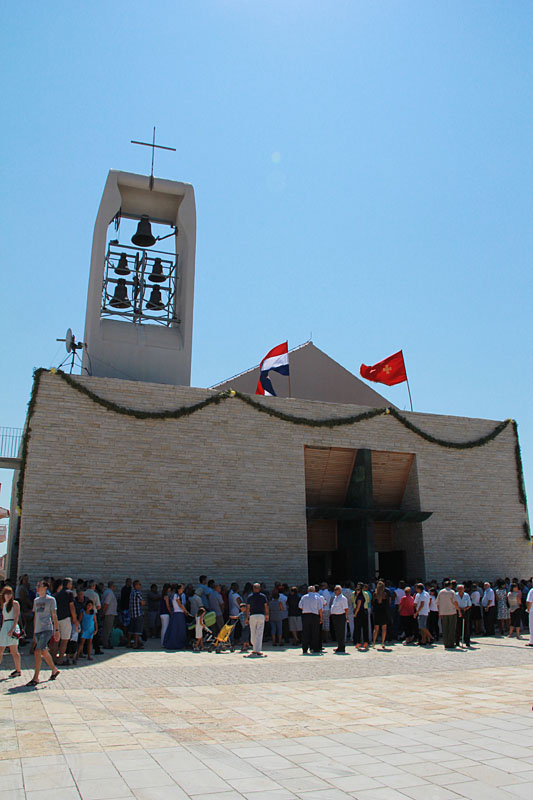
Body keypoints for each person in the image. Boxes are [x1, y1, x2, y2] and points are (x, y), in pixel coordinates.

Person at [27, 580, 60, 686]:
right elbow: (36, 616)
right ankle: (54, 670)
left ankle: (36, 677)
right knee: (44, 651)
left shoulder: (51, 600)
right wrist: (33, 632)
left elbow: (54, 615)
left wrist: (57, 630)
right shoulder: (36, 601)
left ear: (45, 587)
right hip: (38, 630)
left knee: (37, 651)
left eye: (39, 586)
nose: (37, 587)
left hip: (47, 629)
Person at [52, 577, 78, 665]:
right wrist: (75, 619)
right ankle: (60, 660)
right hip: (66, 618)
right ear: (68, 584)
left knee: (56, 640)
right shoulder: (70, 593)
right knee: (64, 640)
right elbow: (72, 606)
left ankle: (53, 658)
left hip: (56, 619)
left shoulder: (56, 594)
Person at [0, 585, 22, 677]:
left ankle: (18, 670)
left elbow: (16, 617)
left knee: (14, 651)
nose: (8, 595)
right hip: (5, 626)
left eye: (10, 593)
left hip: (12, 625)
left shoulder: (15, 603)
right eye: (7, 593)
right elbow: (4, 618)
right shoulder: (4, 605)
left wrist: (12, 629)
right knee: (1, 649)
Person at [245, 583, 269, 656]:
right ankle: (257, 649)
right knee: (259, 632)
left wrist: (246, 618)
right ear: (259, 589)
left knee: (253, 631)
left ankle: (254, 647)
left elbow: (248, 608)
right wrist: (267, 614)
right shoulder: (263, 596)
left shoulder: (250, 597)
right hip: (261, 615)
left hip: (252, 615)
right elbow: (266, 606)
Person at [299, 585, 324, 654]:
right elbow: (320, 609)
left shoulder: (304, 597)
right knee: (315, 632)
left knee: (305, 633)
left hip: (306, 615)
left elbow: (300, 606)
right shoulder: (317, 598)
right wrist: (321, 618)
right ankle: (315, 648)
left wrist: (306, 608)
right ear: (314, 591)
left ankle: (305, 649)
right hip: (314, 615)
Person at [163, 583, 188, 649]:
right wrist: (185, 611)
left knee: (180, 630)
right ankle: (174, 644)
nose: (183, 590)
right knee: (176, 630)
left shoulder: (178, 596)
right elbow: (180, 605)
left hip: (179, 614)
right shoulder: (176, 596)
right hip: (178, 614)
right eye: (182, 589)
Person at [437, 580, 457, 649]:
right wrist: (458, 609)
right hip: (451, 611)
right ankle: (451, 643)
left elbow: (438, 603)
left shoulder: (440, 592)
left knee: (445, 628)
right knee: (451, 628)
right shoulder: (452, 592)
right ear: (450, 585)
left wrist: (439, 612)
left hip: (443, 612)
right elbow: (455, 601)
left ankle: (445, 643)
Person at [330, 584, 349, 653]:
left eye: (336, 589)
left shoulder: (342, 598)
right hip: (335, 616)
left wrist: (346, 617)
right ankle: (339, 646)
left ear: (340, 590)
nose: (335, 591)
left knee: (341, 632)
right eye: (334, 590)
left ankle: (342, 647)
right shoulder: (335, 598)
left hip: (340, 616)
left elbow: (346, 609)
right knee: (337, 632)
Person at [128, 580, 145, 649]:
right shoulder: (138, 593)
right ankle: (135, 644)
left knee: (131, 630)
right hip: (138, 613)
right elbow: (143, 603)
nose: (140, 586)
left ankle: (128, 643)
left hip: (132, 614)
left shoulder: (132, 593)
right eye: (139, 584)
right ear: (136, 585)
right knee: (137, 630)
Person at [101, 581, 118, 648]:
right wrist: (103, 612)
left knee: (107, 629)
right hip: (109, 613)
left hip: (109, 613)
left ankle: (106, 642)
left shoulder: (106, 592)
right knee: (107, 629)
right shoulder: (109, 593)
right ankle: (105, 643)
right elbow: (106, 603)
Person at [353, 584, 368, 650]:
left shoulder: (359, 597)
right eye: (356, 590)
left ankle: (359, 641)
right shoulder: (360, 596)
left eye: (358, 590)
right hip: (364, 612)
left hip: (360, 613)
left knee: (359, 627)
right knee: (364, 627)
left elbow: (358, 606)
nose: (357, 591)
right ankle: (365, 641)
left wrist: (355, 614)